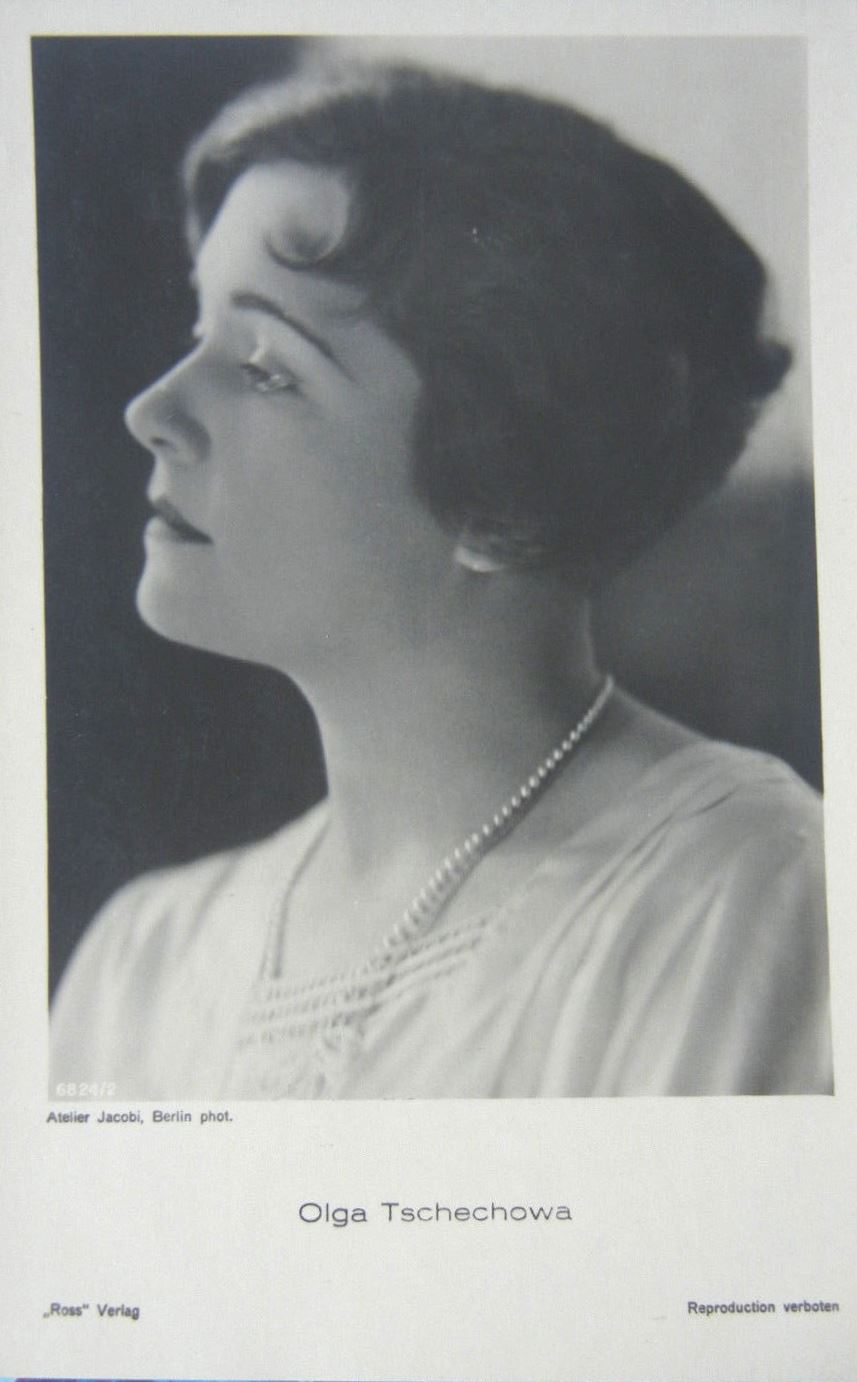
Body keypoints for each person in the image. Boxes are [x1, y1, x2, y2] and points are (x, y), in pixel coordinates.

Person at [50, 57, 831, 1099]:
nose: (150, 410)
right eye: (199, 332)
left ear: (500, 488)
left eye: (265, 367)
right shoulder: (141, 967)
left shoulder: (740, 904)